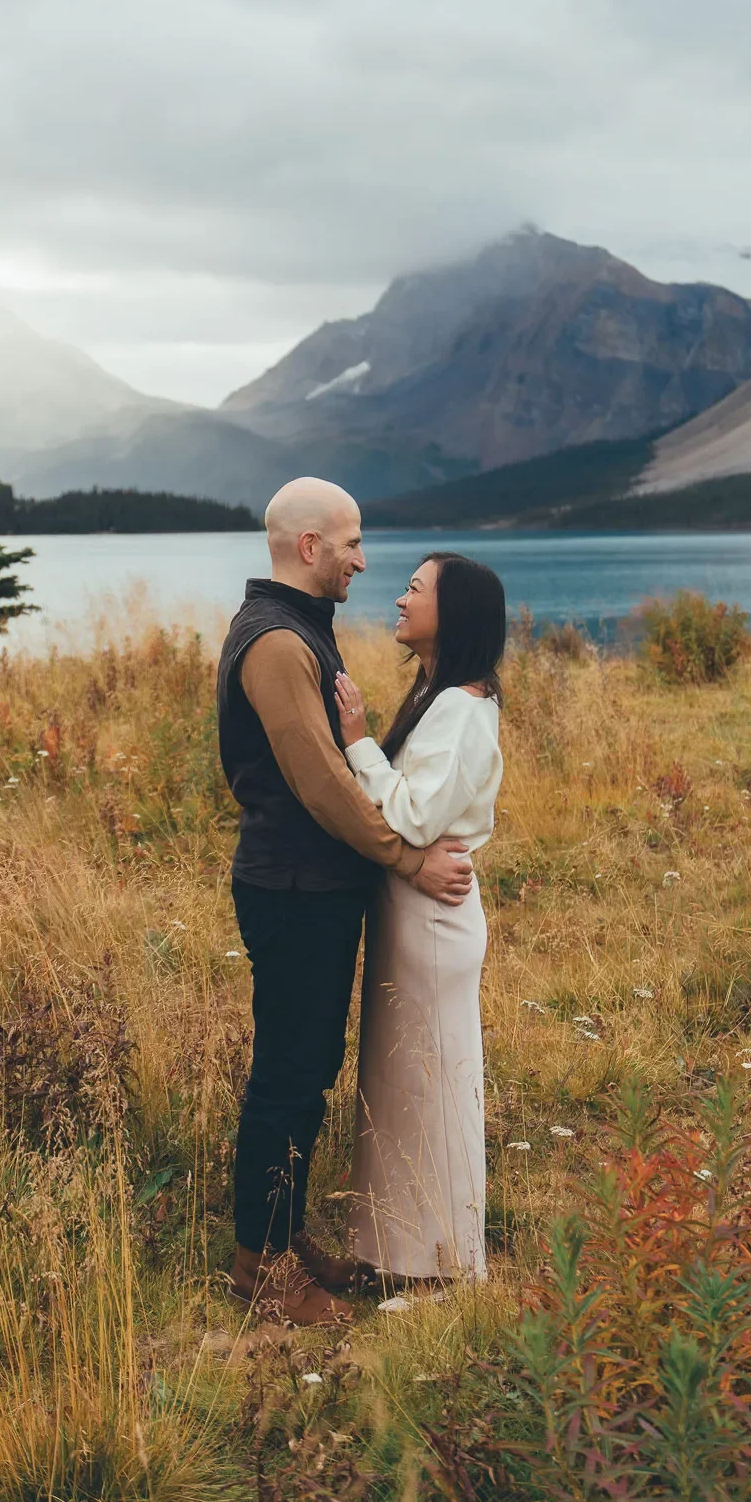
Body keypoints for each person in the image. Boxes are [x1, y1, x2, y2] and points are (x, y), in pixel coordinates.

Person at [216, 478, 475, 1327]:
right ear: (308, 547)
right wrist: (407, 858)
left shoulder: (298, 633)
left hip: (313, 887)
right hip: (293, 889)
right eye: (353, 544)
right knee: (288, 1078)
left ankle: (283, 1241)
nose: (365, 561)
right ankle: (259, 1266)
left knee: (309, 1070)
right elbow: (323, 785)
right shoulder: (276, 645)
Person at [333, 551, 505, 1288]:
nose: (399, 599)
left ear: (454, 611)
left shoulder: (463, 709)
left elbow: (410, 813)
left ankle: (445, 1269)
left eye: (415, 589)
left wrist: (357, 739)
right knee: (404, 1090)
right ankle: (397, 1255)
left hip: (433, 921)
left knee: (433, 1095)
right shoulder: (440, 694)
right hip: (415, 915)